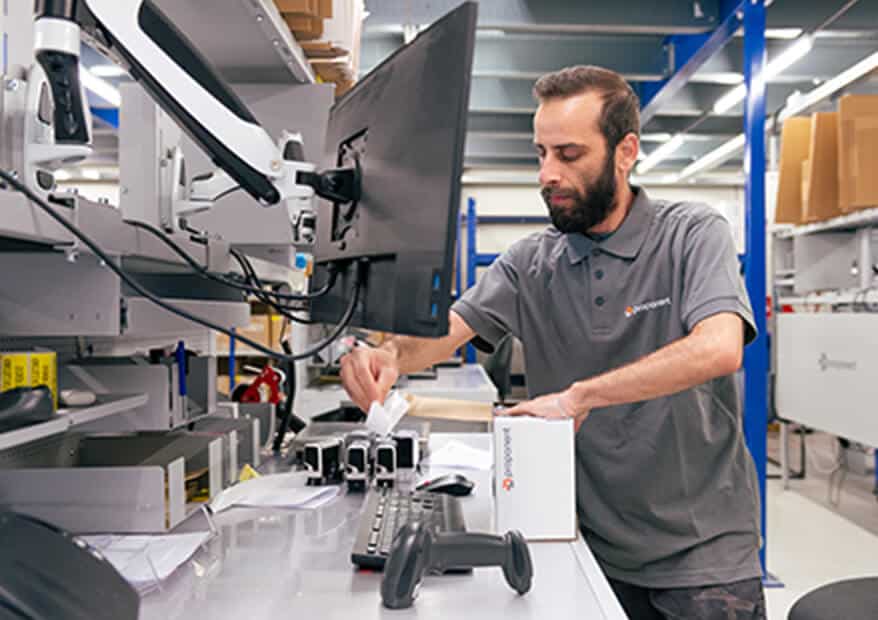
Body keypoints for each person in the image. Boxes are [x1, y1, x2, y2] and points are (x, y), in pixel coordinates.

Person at [340, 65, 765, 619]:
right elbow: (447, 331)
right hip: (586, 548)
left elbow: (719, 348)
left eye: (568, 155)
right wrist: (386, 356)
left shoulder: (691, 234)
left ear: (625, 151)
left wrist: (578, 398)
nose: (547, 174)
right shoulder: (530, 263)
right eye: (540, 153)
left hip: (701, 561)